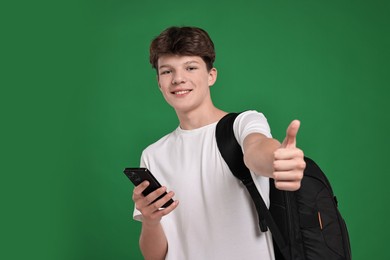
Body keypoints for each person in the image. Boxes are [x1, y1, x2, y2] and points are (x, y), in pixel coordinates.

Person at [132, 26, 306, 260]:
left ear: (211, 75)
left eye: (191, 67)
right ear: (159, 83)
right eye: (167, 71)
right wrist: (151, 221)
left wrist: (277, 161)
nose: (178, 79)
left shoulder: (243, 123)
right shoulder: (153, 155)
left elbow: (256, 150)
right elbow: (155, 257)